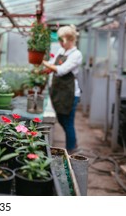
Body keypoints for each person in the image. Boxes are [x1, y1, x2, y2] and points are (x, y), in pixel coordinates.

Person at [42, 24, 83, 154]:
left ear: (70, 39)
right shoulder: (62, 51)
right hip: (58, 91)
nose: (60, 43)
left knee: (68, 121)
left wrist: (43, 62)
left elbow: (62, 70)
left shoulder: (76, 54)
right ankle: (73, 143)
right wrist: (46, 70)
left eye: (62, 40)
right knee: (61, 118)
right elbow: (53, 65)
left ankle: (72, 149)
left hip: (69, 93)